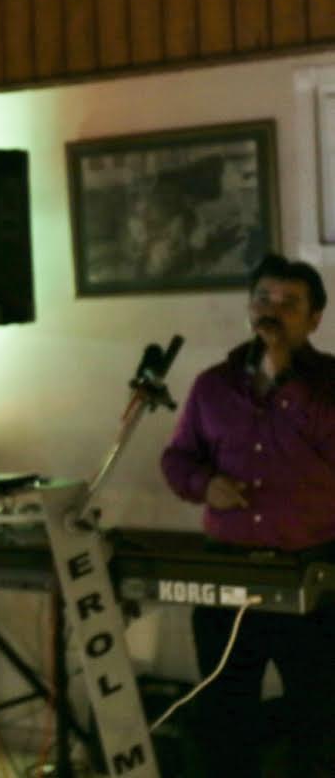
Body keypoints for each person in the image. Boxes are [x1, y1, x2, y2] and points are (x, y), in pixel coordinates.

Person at [160, 253, 335, 778]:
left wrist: (284, 377)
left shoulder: (329, 386)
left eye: (289, 303)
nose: (271, 311)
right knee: (225, 715)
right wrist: (204, 485)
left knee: (319, 714)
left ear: (315, 319)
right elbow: (177, 459)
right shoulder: (213, 385)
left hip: (313, 572)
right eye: (263, 299)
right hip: (228, 571)